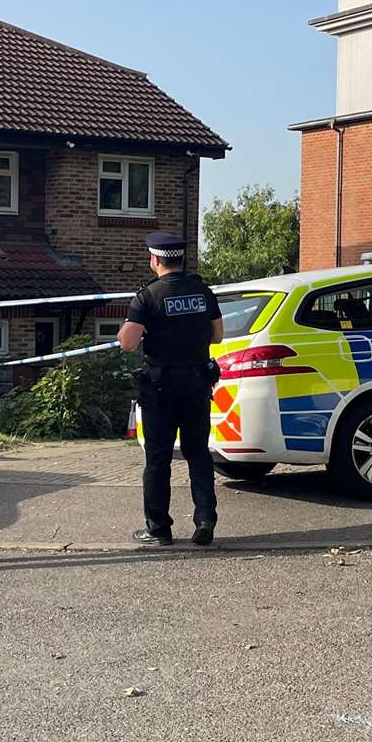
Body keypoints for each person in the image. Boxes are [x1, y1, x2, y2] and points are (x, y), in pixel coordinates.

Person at [117, 231, 224, 547]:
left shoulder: (147, 297)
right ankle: (205, 520)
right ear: (180, 259)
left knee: (159, 459)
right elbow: (217, 335)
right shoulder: (202, 292)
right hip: (196, 385)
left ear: (155, 259)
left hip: (160, 388)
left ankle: (158, 528)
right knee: (198, 454)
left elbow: (127, 343)